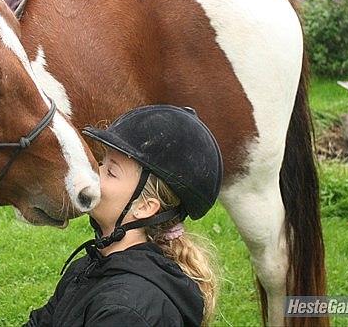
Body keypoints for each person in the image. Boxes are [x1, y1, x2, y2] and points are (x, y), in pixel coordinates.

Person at [26, 105, 223, 327]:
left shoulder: (127, 311)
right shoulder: (94, 264)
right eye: (102, 163)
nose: (95, 174)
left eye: (111, 172)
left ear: (145, 207)